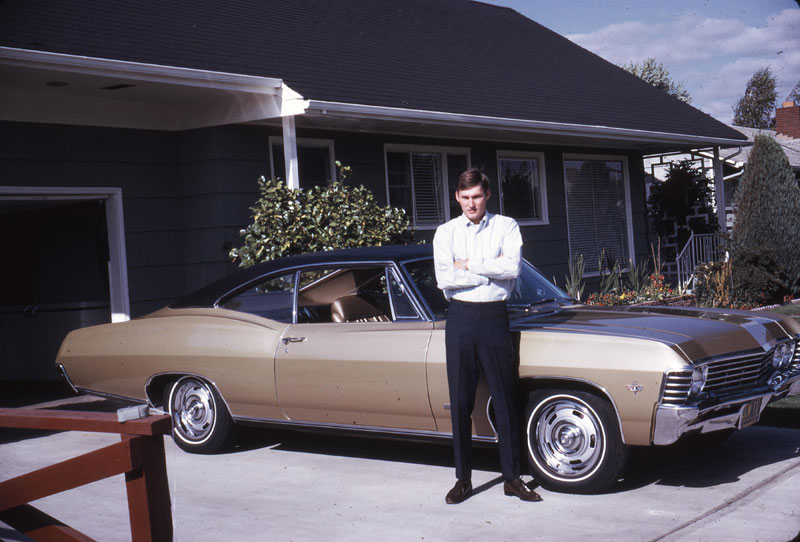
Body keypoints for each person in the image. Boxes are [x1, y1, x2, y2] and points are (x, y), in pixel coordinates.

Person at [433, 168, 542, 504]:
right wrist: (485, 270)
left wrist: (469, 265)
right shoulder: (446, 232)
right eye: (465, 198)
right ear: (457, 197)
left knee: (506, 401)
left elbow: (511, 268)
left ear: (487, 195)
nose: (471, 204)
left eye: (476, 197)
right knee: (461, 403)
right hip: (461, 319)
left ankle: (512, 478)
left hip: (495, 319)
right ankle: (462, 480)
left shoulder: (505, 226)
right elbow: (444, 279)